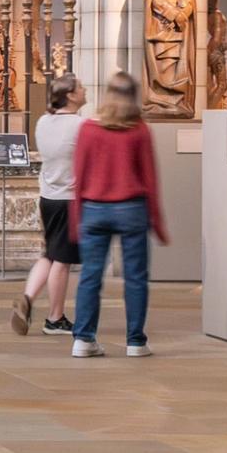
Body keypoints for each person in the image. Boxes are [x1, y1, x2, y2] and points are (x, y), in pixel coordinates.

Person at [66, 72, 167, 357]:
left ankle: (84, 339)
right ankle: (135, 341)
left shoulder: (87, 129)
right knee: (135, 278)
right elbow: (150, 180)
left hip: (94, 209)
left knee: (90, 276)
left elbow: (80, 178)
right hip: (131, 209)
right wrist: (158, 224)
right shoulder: (139, 130)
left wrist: (76, 220)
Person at [13, 75, 87, 337]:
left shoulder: (43, 121)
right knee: (63, 260)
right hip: (69, 198)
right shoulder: (81, 125)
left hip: (48, 196)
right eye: (80, 88)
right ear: (70, 95)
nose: (85, 90)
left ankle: (28, 296)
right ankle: (55, 318)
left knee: (50, 253)